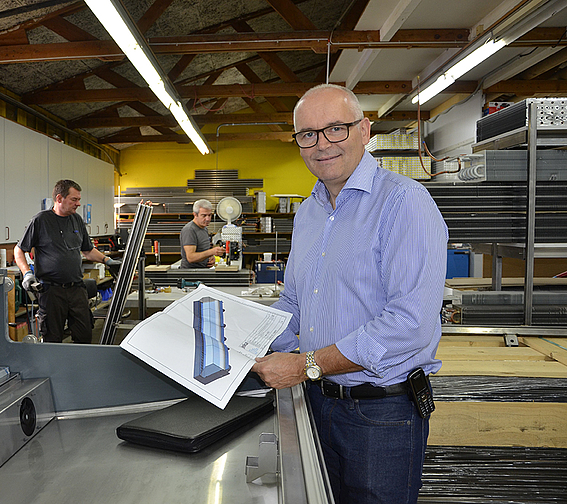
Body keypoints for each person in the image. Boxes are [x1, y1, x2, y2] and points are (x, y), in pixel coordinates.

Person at [251, 84, 448, 504]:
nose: (321, 144)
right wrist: (243, 335)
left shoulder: (404, 202)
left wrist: (305, 365)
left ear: (364, 130)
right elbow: (294, 303)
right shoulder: (309, 212)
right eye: (307, 134)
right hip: (316, 404)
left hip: (381, 414)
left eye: (335, 129)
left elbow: (409, 324)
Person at [14, 179, 121, 344]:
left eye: (79, 199)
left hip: (76, 289)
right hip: (51, 291)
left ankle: (80, 369)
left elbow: (87, 250)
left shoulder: (76, 220)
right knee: (52, 338)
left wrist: (107, 260)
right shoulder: (41, 221)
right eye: (74, 199)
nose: (78, 203)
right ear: (59, 198)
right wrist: (27, 273)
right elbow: (19, 249)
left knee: (84, 334)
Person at [179, 199, 225, 268]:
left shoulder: (204, 228)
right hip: (191, 274)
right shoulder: (189, 230)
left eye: (209, 215)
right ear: (195, 215)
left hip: (202, 271)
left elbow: (203, 251)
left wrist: (210, 257)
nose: (208, 219)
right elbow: (191, 258)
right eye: (204, 215)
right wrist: (211, 252)